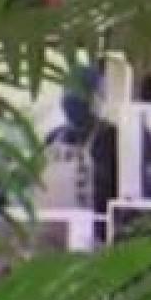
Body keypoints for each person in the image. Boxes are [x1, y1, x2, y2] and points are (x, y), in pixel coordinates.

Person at [36, 62, 118, 213]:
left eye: (78, 104)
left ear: (94, 102)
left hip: (98, 221)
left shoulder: (112, 138)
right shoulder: (53, 137)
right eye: (69, 104)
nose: (73, 111)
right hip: (57, 220)